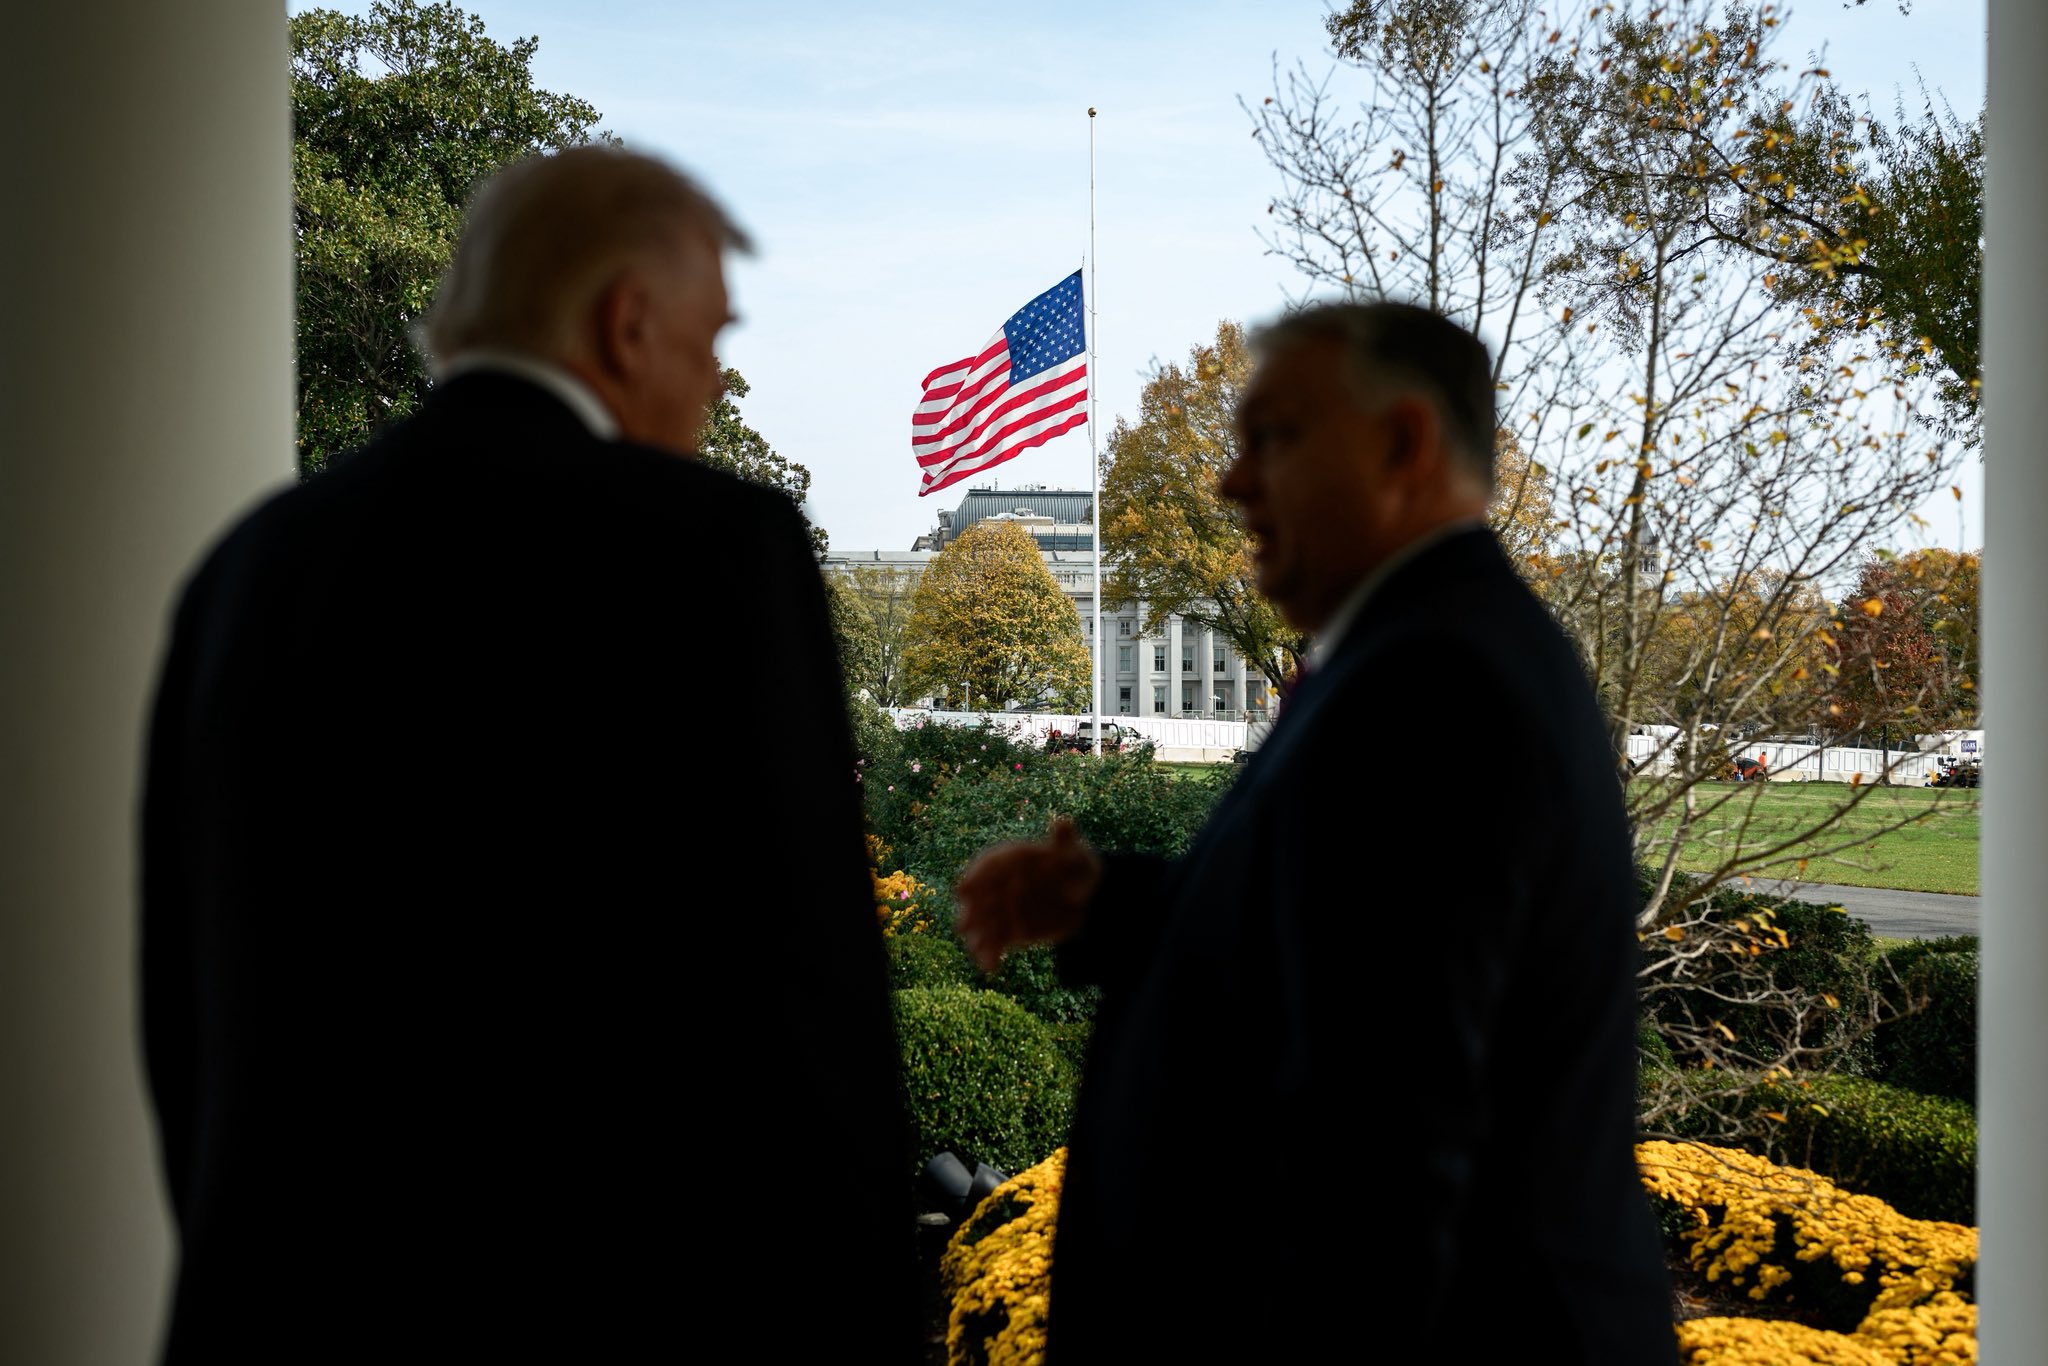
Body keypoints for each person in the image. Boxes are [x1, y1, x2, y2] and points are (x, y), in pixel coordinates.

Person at [141, 148, 917, 1361]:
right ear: (626, 321)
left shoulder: (247, 566)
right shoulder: (717, 552)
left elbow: (180, 1004)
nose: (714, 380)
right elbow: (810, 1024)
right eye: (711, 339)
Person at [956, 302, 1675, 1362]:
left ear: (1401, 445)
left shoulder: (1435, 685)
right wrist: (1112, 903)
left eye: (1275, 438)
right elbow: (1326, 943)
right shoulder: (1413, 652)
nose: (1229, 482)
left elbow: (1383, 1152)